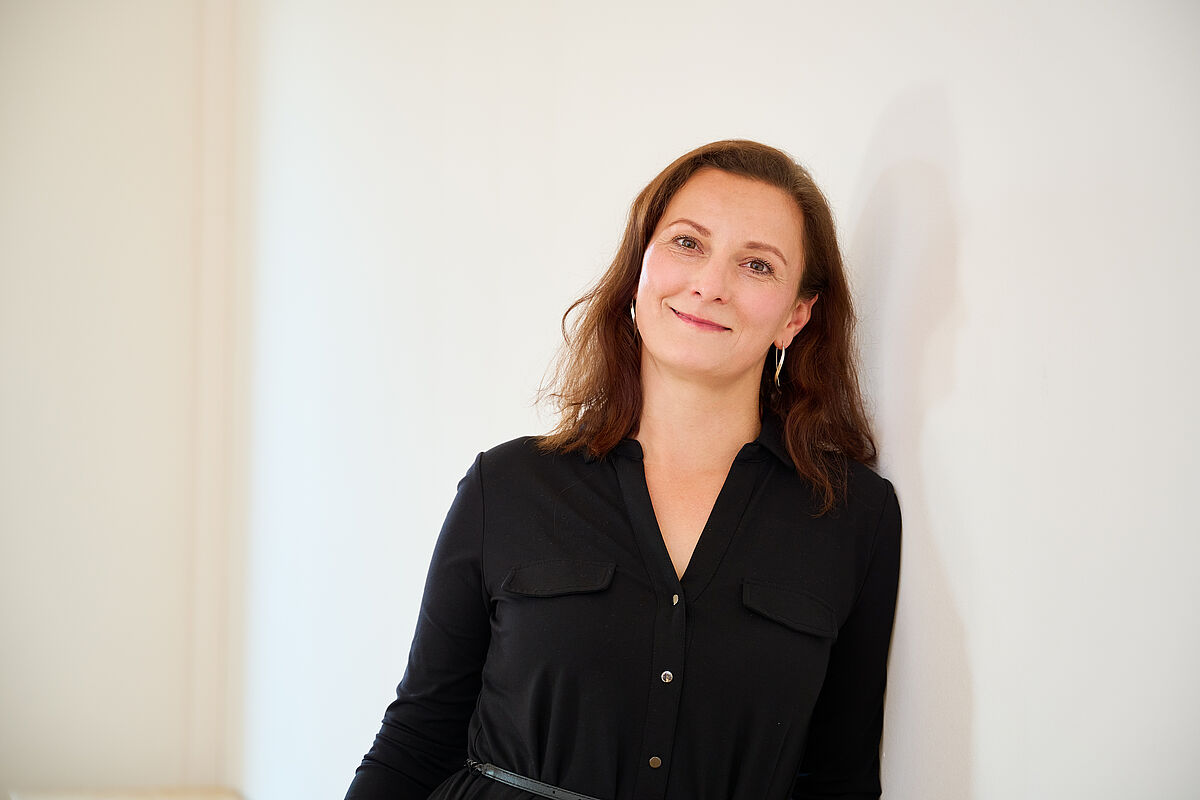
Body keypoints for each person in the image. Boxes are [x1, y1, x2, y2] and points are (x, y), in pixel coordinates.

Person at [344, 139, 901, 800]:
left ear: (796, 315)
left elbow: (839, 780)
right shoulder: (508, 486)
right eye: (688, 243)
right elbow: (417, 740)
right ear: (640, 269)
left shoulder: (854, 516)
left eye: (756, 264)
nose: (710, 285)